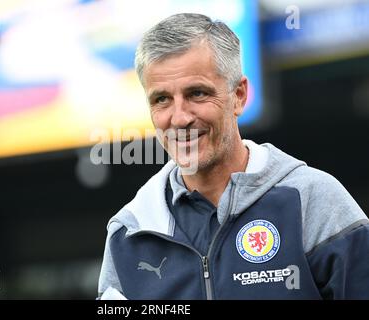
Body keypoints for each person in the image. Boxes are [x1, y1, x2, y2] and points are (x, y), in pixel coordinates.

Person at [97, 13, 369, 299]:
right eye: (161, 99)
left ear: (239, 95)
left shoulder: (314, 200)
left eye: (197, 93)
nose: (179, 118)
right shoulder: (129, 233)